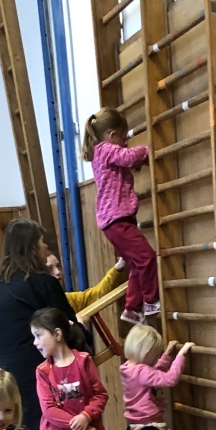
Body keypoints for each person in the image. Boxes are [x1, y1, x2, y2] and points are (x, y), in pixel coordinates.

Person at [0, 219, 78, 430]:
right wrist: (81, 327)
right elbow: (69, 331)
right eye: (41, 241)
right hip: (38, 374)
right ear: (32, 248)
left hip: (5, 375)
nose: (45, 246)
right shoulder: (43, 283)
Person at [82, 108, 158, 324]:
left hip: (113, 221)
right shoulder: (105, 149)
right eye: (123, 138)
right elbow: (128, 156)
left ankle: (132, 308)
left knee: (136, 263)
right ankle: (151, 301)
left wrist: (136, 163)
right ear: (112, 135)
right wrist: (147, 151)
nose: (125, 143)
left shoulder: (101, 154)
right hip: (117, 219)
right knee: (147, 257)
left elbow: (122, 165)